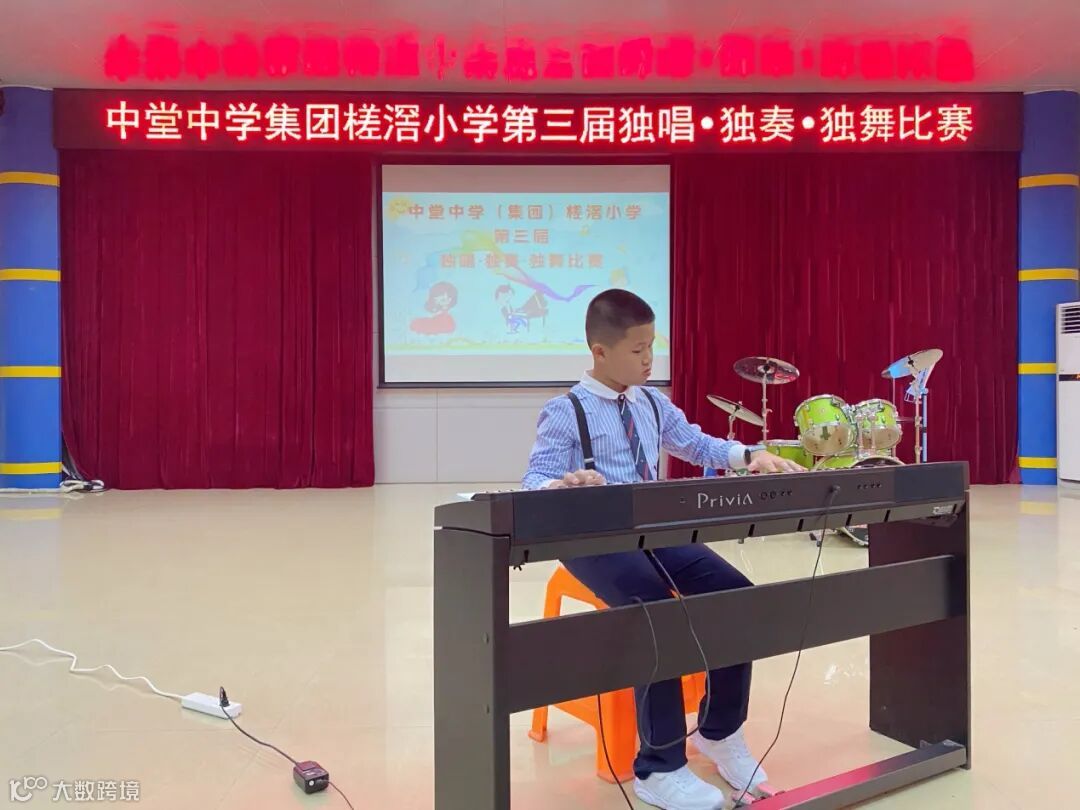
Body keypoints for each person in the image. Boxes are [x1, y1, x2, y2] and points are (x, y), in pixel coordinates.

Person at [522, 289, 801, 810]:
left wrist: (750, 455)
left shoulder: (651, 402)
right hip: (591, 538)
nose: (649, 359)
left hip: (652, 531)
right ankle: (658, 767)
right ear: (600, 351)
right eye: (637, 349)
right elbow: (534, 478)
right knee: (654, 612)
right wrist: (561, 485)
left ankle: (719, 732)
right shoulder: (565, 411)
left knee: (735, 596)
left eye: (653, 346)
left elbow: (697, 444)